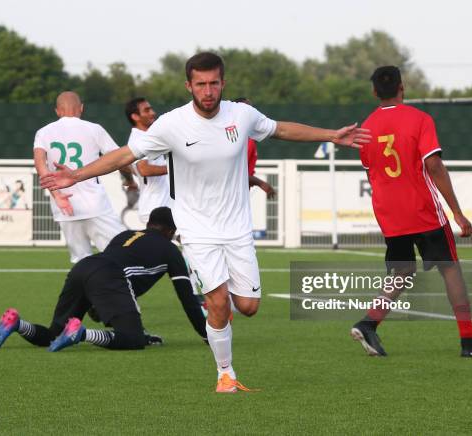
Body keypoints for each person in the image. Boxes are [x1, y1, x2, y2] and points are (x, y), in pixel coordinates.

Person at [40, 52, 371, 392]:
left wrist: (331, 135)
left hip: (237, 228)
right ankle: (225, 373)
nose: (208, 90)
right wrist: (76, 176)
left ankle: (222, 327)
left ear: (223, 83)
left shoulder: (241, 115)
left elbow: (281, 128)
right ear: (189, 86)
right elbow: (126, 155)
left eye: (214, 83)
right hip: (196, 230)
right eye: (201, 84)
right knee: (217, 303)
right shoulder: (171, 124)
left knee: (248, 306)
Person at [350, 66, 472, 358]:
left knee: (403, 271)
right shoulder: (420, 119)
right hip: (422, 210)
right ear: (403, 87)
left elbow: (373, 171)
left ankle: (368, 323)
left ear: (374, 92)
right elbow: (433, 165)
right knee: (451, 271)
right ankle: (468, 344)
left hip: (389, 213)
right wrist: (458, 213)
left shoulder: (366, 128)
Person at [0, 207, 207, 351]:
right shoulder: (170, 250)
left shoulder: (126, 234)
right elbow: (187, 300)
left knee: (53, 334)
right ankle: (82, 334)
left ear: (150, 223)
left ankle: (17, 324)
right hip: (109, 275)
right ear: (171, 230)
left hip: (84, 267)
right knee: (133, 339)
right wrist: (207, 336)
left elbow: (106, 287)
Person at [33, 91, 138, 263]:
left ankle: (88, 289)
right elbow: (119, 159)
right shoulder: (94, 129)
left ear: (57, 111)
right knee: (120, 255)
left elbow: (40, 164)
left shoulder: (43, 132)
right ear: (81, 108)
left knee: (81, 262)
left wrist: (57, 195)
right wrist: (130, 180)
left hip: (64, 207)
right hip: (95, 205)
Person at [125, 97, 172, 225]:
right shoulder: (138, 139)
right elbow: (143, 169)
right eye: (147, 110)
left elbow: (129, 168)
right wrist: (173, 168)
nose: (152, 113)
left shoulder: (151, 136)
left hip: (165, 206)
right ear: (135, 116)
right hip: (155, 208)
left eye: (151, 109)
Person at [234, 97, 276, 199]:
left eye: (251, 109)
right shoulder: (240, 140)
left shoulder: (247, 138)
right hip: (232, 197)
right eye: (245, 109)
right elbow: (236, 173)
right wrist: (262, 184)